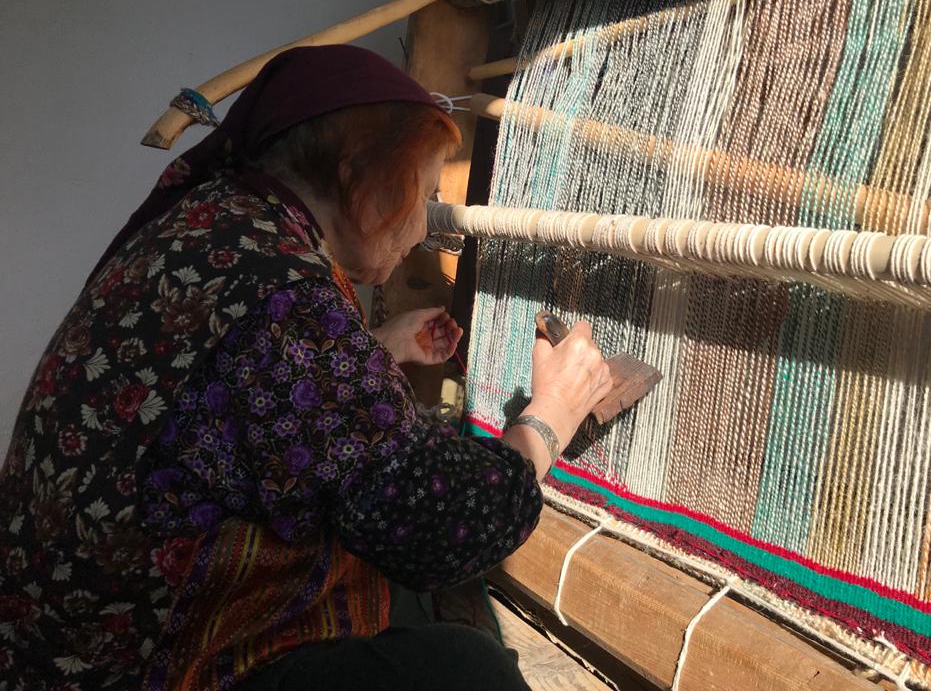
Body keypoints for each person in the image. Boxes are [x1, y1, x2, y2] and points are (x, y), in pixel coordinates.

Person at [0, 44, 612, 691]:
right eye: (423, 193)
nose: (423, 226)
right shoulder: (284, 294)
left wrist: (376, 347)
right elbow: (432, 527)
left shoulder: (213, 225)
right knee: (466, 672)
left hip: (45, 640)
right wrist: (551, 415)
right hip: (133, 665)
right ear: (361, 179)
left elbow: (231, 401)